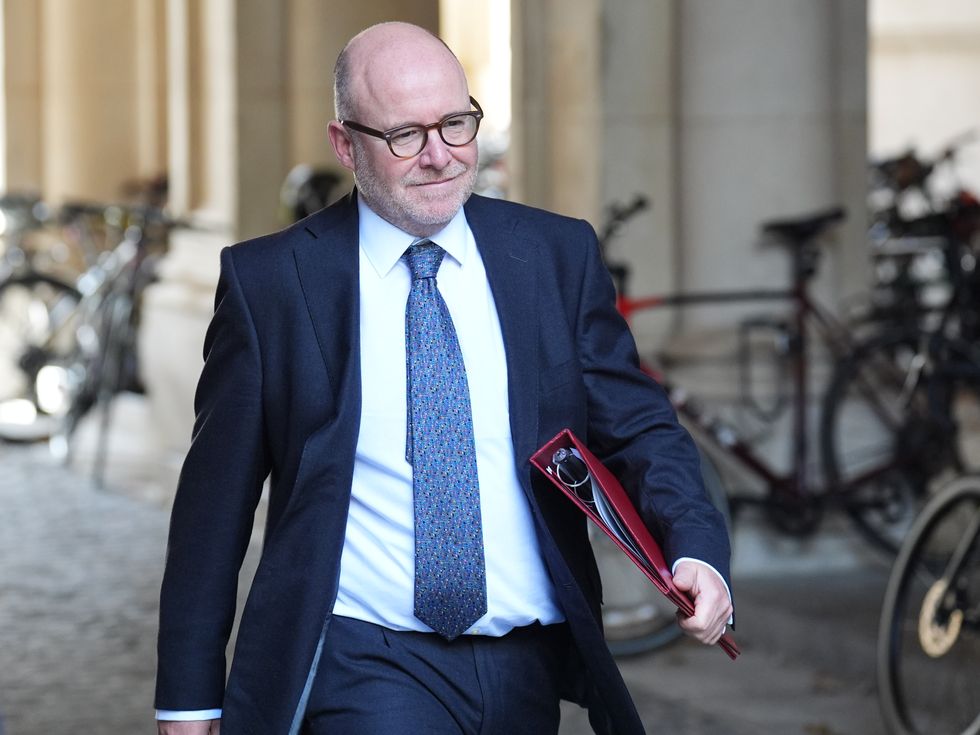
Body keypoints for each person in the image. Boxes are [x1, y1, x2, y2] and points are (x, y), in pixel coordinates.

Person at [155, 21, 733, 735]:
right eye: (406, 135)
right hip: (365, 659)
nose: (440, 156)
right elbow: (213, 507)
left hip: (528, 661)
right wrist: (188, 699)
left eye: (457, 124)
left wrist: (696, 546)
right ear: (346, 144)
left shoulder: (553, 255)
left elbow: (639, 425)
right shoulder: (272, 283)